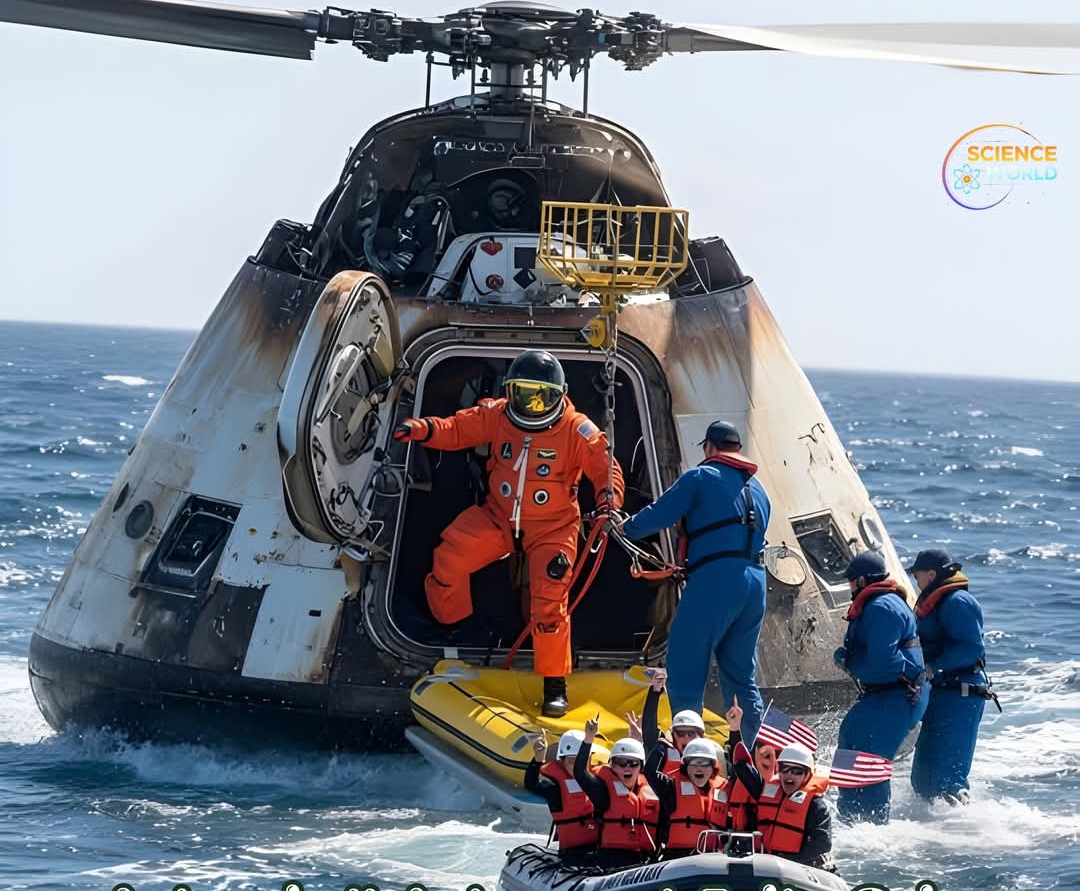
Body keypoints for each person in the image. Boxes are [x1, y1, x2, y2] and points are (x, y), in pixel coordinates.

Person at [394, 349, 624, 716]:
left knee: (549, 602)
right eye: (523, 394)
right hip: (499, 516)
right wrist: (422, 430)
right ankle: (457, 630)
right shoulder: (498, 415)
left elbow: (605, 468)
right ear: (510, 391)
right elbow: (458, 429)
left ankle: (554, 684)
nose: (532, 405)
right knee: (449, 558)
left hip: (553, 526)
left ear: (559, 395)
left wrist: (608, 501)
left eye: (541, 397)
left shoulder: (577, 429)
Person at [619, 421, 771, 742]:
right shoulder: (759, 489)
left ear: (709, 447)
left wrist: (626, 527)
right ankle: (748, 751)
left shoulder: (700, 476)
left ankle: (688, 752)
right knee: (741, 676)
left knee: (685, 665)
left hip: (716, 581)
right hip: (756, 584)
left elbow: (661, 514)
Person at [834, 550, 929, 824]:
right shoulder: (880, 603)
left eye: (852, 581)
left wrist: (851, 663)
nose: (850, 587)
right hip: (884, 695)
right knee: (849, 739)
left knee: (870, 757)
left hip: (899, 695)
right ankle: (849, 816)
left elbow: (885, 661)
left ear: (863, 580)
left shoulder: (881, 607)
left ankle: (874, 824)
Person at [907, 548, 997, 804]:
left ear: (931, 574)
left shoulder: (958, 602)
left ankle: (960, 823)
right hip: (941, 693)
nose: (916, 580)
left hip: (961, 695)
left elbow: (972, 648)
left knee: (949, 778)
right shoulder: (935, 601)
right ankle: (925, 824)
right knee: (923, 776)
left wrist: (934, 666)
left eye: (917, 574)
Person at [573, 717, 660, 867]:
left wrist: (638, 741)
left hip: (644, 860)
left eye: (633, 764)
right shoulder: (603, 791)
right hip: (610, 860)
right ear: (612, 765)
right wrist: (588, 739)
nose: (627, 768)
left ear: (641, 767)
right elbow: (580, 773)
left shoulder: (652, 788)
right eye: (621, 763)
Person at [732, 743, 832, 869]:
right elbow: (744, 771)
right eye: (784, 769)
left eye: (796, 771)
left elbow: (823, 844)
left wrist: (790, 861)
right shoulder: (767, 792)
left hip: (799, 867)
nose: (789, 775)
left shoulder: (816, 806)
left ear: (807, 775)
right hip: (766, 862)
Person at [644, 737, 730, 859]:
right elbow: (650, 772)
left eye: (705, 763)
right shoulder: (671, 787)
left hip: (712, 856)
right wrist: (661, 745)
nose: (699, 768)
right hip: (678, 856)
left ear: (713, 767)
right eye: (694, 763)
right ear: (685, 766)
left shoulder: (724, 788)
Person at [525, 729, 598, 864]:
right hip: (572, 853)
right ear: (562, 761)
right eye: (572, 761)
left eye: (582, 761)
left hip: (600, 849)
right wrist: (538, 759)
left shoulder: (597, 781)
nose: (577, 767)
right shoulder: (555, 787)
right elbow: (532, 784)